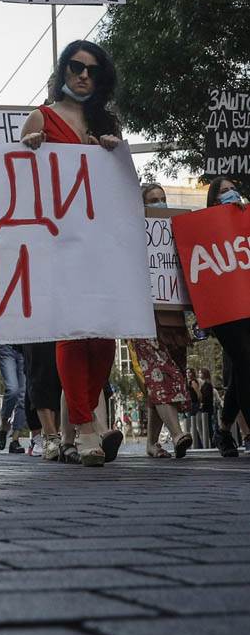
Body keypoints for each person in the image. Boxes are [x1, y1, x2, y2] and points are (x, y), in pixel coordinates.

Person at [22, 40, 124, 467]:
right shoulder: (40, 118)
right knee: (72, 331)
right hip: (57, 240)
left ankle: (73, 431)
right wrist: (27, 149)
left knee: (102, 336)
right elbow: (17, 183)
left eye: (93, 71)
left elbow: (120, 186)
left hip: (100, 242)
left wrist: (114, 153)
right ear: (63, 70)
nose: (84, 75)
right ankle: (85, 429)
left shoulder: (108, 122)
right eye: (77, 67)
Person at [129, 183, 193, 459]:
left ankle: (152, 443)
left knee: (167, 377)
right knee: (162, 375)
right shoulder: (132, 236)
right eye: (153, 200)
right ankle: (178, 434)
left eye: (162, 199)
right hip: (143, 317)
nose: (159, 203)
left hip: (173, 319)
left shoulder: (180, 230)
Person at [202, 177, 250, 457]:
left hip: (246, 305)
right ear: (214, 199)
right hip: (223, 309)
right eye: (224, 191)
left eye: (233, 189)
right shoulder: (204, 227)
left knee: (245, 366)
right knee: (245, 358)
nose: (231, 193)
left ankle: (223, 430)